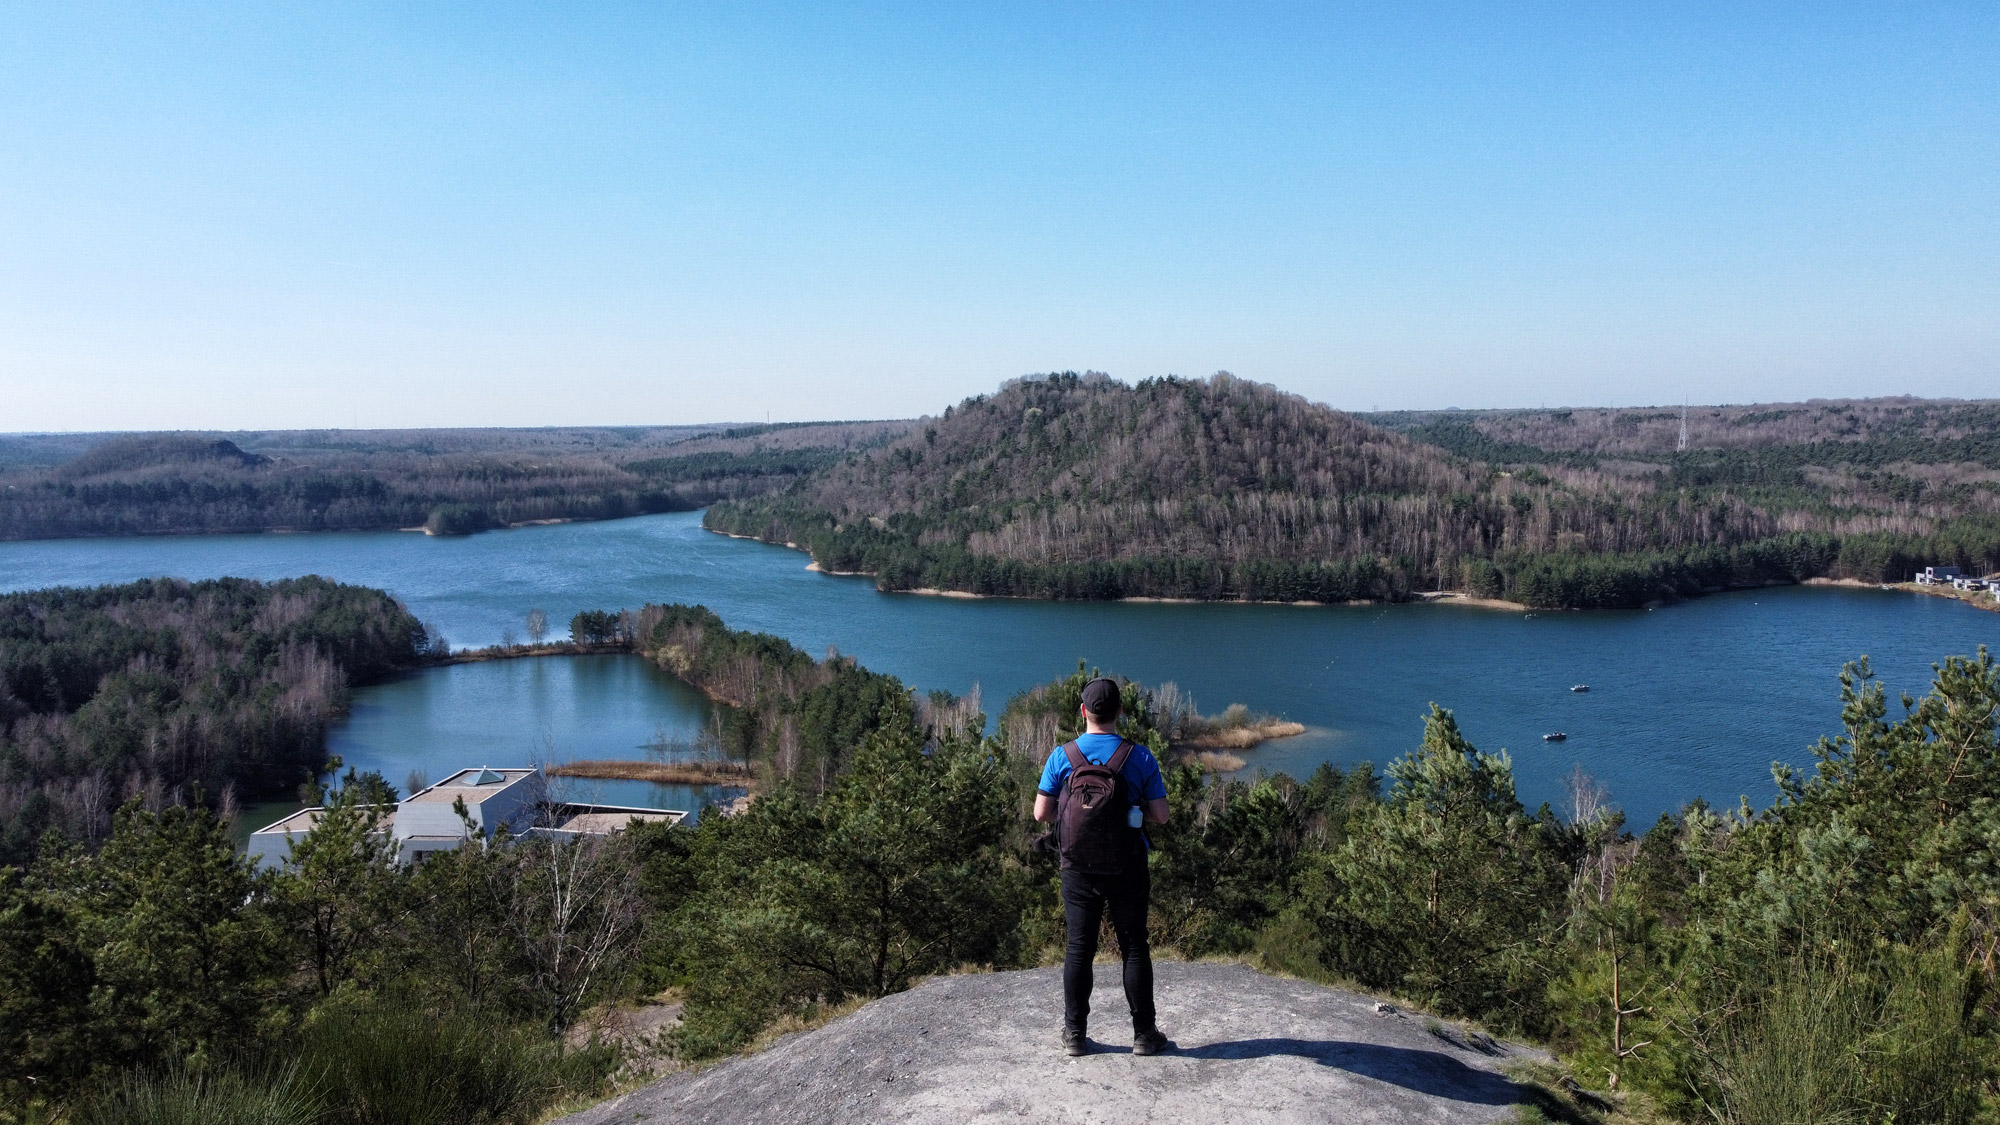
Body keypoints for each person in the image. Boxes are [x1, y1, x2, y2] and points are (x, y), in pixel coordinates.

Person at [1033, 676, 1172, 1057]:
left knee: (1079, 948)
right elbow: (1161, 815)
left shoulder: (1063, 756)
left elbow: (1041, 813)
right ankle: (1144, 1035)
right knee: (1133, 946)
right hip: (1128, 864)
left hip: (1077, 867)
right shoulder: (1139, 756)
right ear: (1121, 712)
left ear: (1083, 711)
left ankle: (1075, 1035)